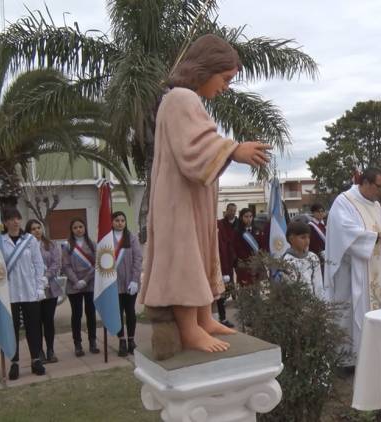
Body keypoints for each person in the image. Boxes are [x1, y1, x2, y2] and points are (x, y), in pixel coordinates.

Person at [138, 34, 271, 354]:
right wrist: (234, 150)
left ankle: (203, 318)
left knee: (197, 254)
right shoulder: (181, 98)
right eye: (224, 78)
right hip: (178, 201)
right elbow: (193, 147)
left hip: (189, 198)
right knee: (185, 259)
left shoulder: (184, 99)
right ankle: (188, 329)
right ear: (205, 69)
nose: (225, 87)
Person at [324, 168, 381, 365]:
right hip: (353, 271)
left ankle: (380, 355)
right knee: (351, 315)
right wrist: (376, 237)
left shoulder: (376, 206)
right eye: (379, 186)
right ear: (366, 183)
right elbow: (344, 232)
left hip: (377, 269)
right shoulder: (344, 202)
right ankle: (350, 361)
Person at [2, 208, 46, 380]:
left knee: (33, 327)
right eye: (10, 219)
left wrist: (39, 287)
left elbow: (38, 264)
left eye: (17, 218)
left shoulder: (29, 240)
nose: (15, 222)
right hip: (9, 293)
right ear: (5, 222)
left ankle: (36, 360)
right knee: (11, 330)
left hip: (29, 291)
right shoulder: (0, 240)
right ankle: (14, 363)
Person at [25, 219, 61, 364]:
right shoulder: (25, 247)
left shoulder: (50, 244)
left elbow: (56, 263)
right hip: (33, 289)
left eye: (38, 227)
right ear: (28, 231)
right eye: (33, 229)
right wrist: (37, 279)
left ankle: (50, 350)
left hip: (49, 288)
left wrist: (46, 276)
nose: (37, 231)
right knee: (36, 322)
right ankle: (39, 351)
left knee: (48, 321)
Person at [62, 218, 100, 356]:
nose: (78, 229)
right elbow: (65, 265)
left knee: (90, 313)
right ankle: (77, 344)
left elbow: (97, 263)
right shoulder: (67, 246)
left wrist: (85, 280)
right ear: (72, 230)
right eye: (75, 227)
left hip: (89, 283)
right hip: (74, 285)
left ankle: (93, 342)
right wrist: (76, 280)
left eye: (81, 226)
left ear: (85, 228)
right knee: (76, 315)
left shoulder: (92, 245)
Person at [110, 211, 143, 357]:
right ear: (112, 222)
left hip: (131, 283)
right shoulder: (107, 239)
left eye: (122, 220)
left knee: (130, 312)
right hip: (114, 284)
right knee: (117, 314)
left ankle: (131, 340)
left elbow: (138, 259)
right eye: (117, 220)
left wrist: (135, 280)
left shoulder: (131, 237)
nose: (120, 223)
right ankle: (121, 341)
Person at [282, 221, 325, 300]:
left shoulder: (313, 258)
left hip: (315, 306)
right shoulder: (287, 261)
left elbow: (318, 285)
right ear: (291, 239)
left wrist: (320, 305)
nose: (307, 241)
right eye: (303, 237)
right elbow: (291, 289)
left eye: (308, 237)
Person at [231, 208, 266, 285]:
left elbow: (262, 246)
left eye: (250, 216)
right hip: (243, 265)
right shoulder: (236, 232)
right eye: (246, 216)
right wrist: (237, 262)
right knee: (244, 290)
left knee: (256, 290)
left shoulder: (258, 230)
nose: (249, 219)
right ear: (241, 217)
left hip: (256, 264)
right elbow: (233, 248)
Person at [216, 203, 238, 328]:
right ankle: (222, 318)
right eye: (230, 210)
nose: (232, 213)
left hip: (235, 260)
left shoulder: (238, 224)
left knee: (232, 289)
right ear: (226, 211)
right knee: (222, 291)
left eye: (234, 211)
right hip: (223, 262)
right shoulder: (220, 224)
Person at [307, 203, 327, 273]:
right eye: (318, 211)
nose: (321, 213)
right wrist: (321, 252)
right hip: (317, 256)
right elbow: (312, 243)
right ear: (313, 213)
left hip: (327, 255)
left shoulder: (323, 224)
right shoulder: (310, 226)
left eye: (322, 211)